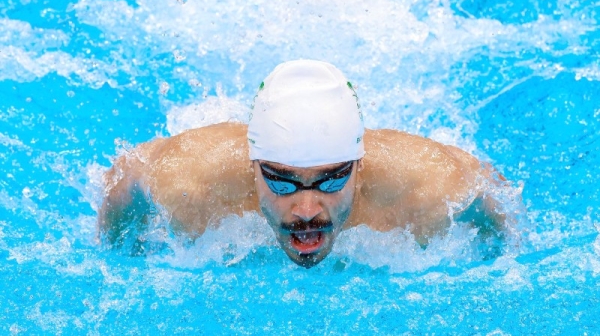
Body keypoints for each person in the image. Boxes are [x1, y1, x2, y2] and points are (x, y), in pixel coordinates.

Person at [99, 59, 510, 267]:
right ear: (252, 166)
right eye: (281, 182)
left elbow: (495, 195)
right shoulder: (188, 182)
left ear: (359, 166)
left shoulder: (430, 188)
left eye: (331, 181)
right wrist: (118, 258)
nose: (307, 209)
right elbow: (125, 175)